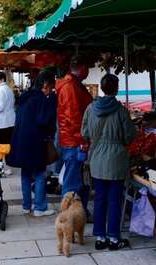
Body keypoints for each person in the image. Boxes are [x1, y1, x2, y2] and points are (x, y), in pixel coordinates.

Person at [81, 74, 137, 251]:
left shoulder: (90, 108)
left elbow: (84, 133)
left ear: (103, 87)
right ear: (116, 88)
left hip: (96, 159)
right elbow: (129, 136)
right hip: (117, 160)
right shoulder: (121, 111)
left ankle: (99, 237)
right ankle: (114, 238)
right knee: (115, 200)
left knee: (99, 199)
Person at [7, 71, 57, 217]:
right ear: (46, 85)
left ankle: (26, 205)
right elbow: (43, 120)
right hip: (35, 141)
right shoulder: (40, 99)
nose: (50, 91)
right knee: (40, 173)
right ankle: (40, 207)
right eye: (51, 88)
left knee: (26, 173)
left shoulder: (25, 98)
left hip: (21, 141)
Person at [56, 56, 93, 211]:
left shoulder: (74, 85)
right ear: (81, 68)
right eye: (87, 68)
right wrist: (82, 141)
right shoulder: (70, 87)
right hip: (74, 142)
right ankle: (69, 216)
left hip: (74, 140)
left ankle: (79, 213)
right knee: (73, 184)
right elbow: (73, 117)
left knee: (80, 182)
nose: (89, 71)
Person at [0, 72, 15, 144]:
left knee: (1, 145)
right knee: (8, 144)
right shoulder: (8, 89)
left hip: (2, 123)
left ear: (2, 80)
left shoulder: (0, 90)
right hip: (10, 121)